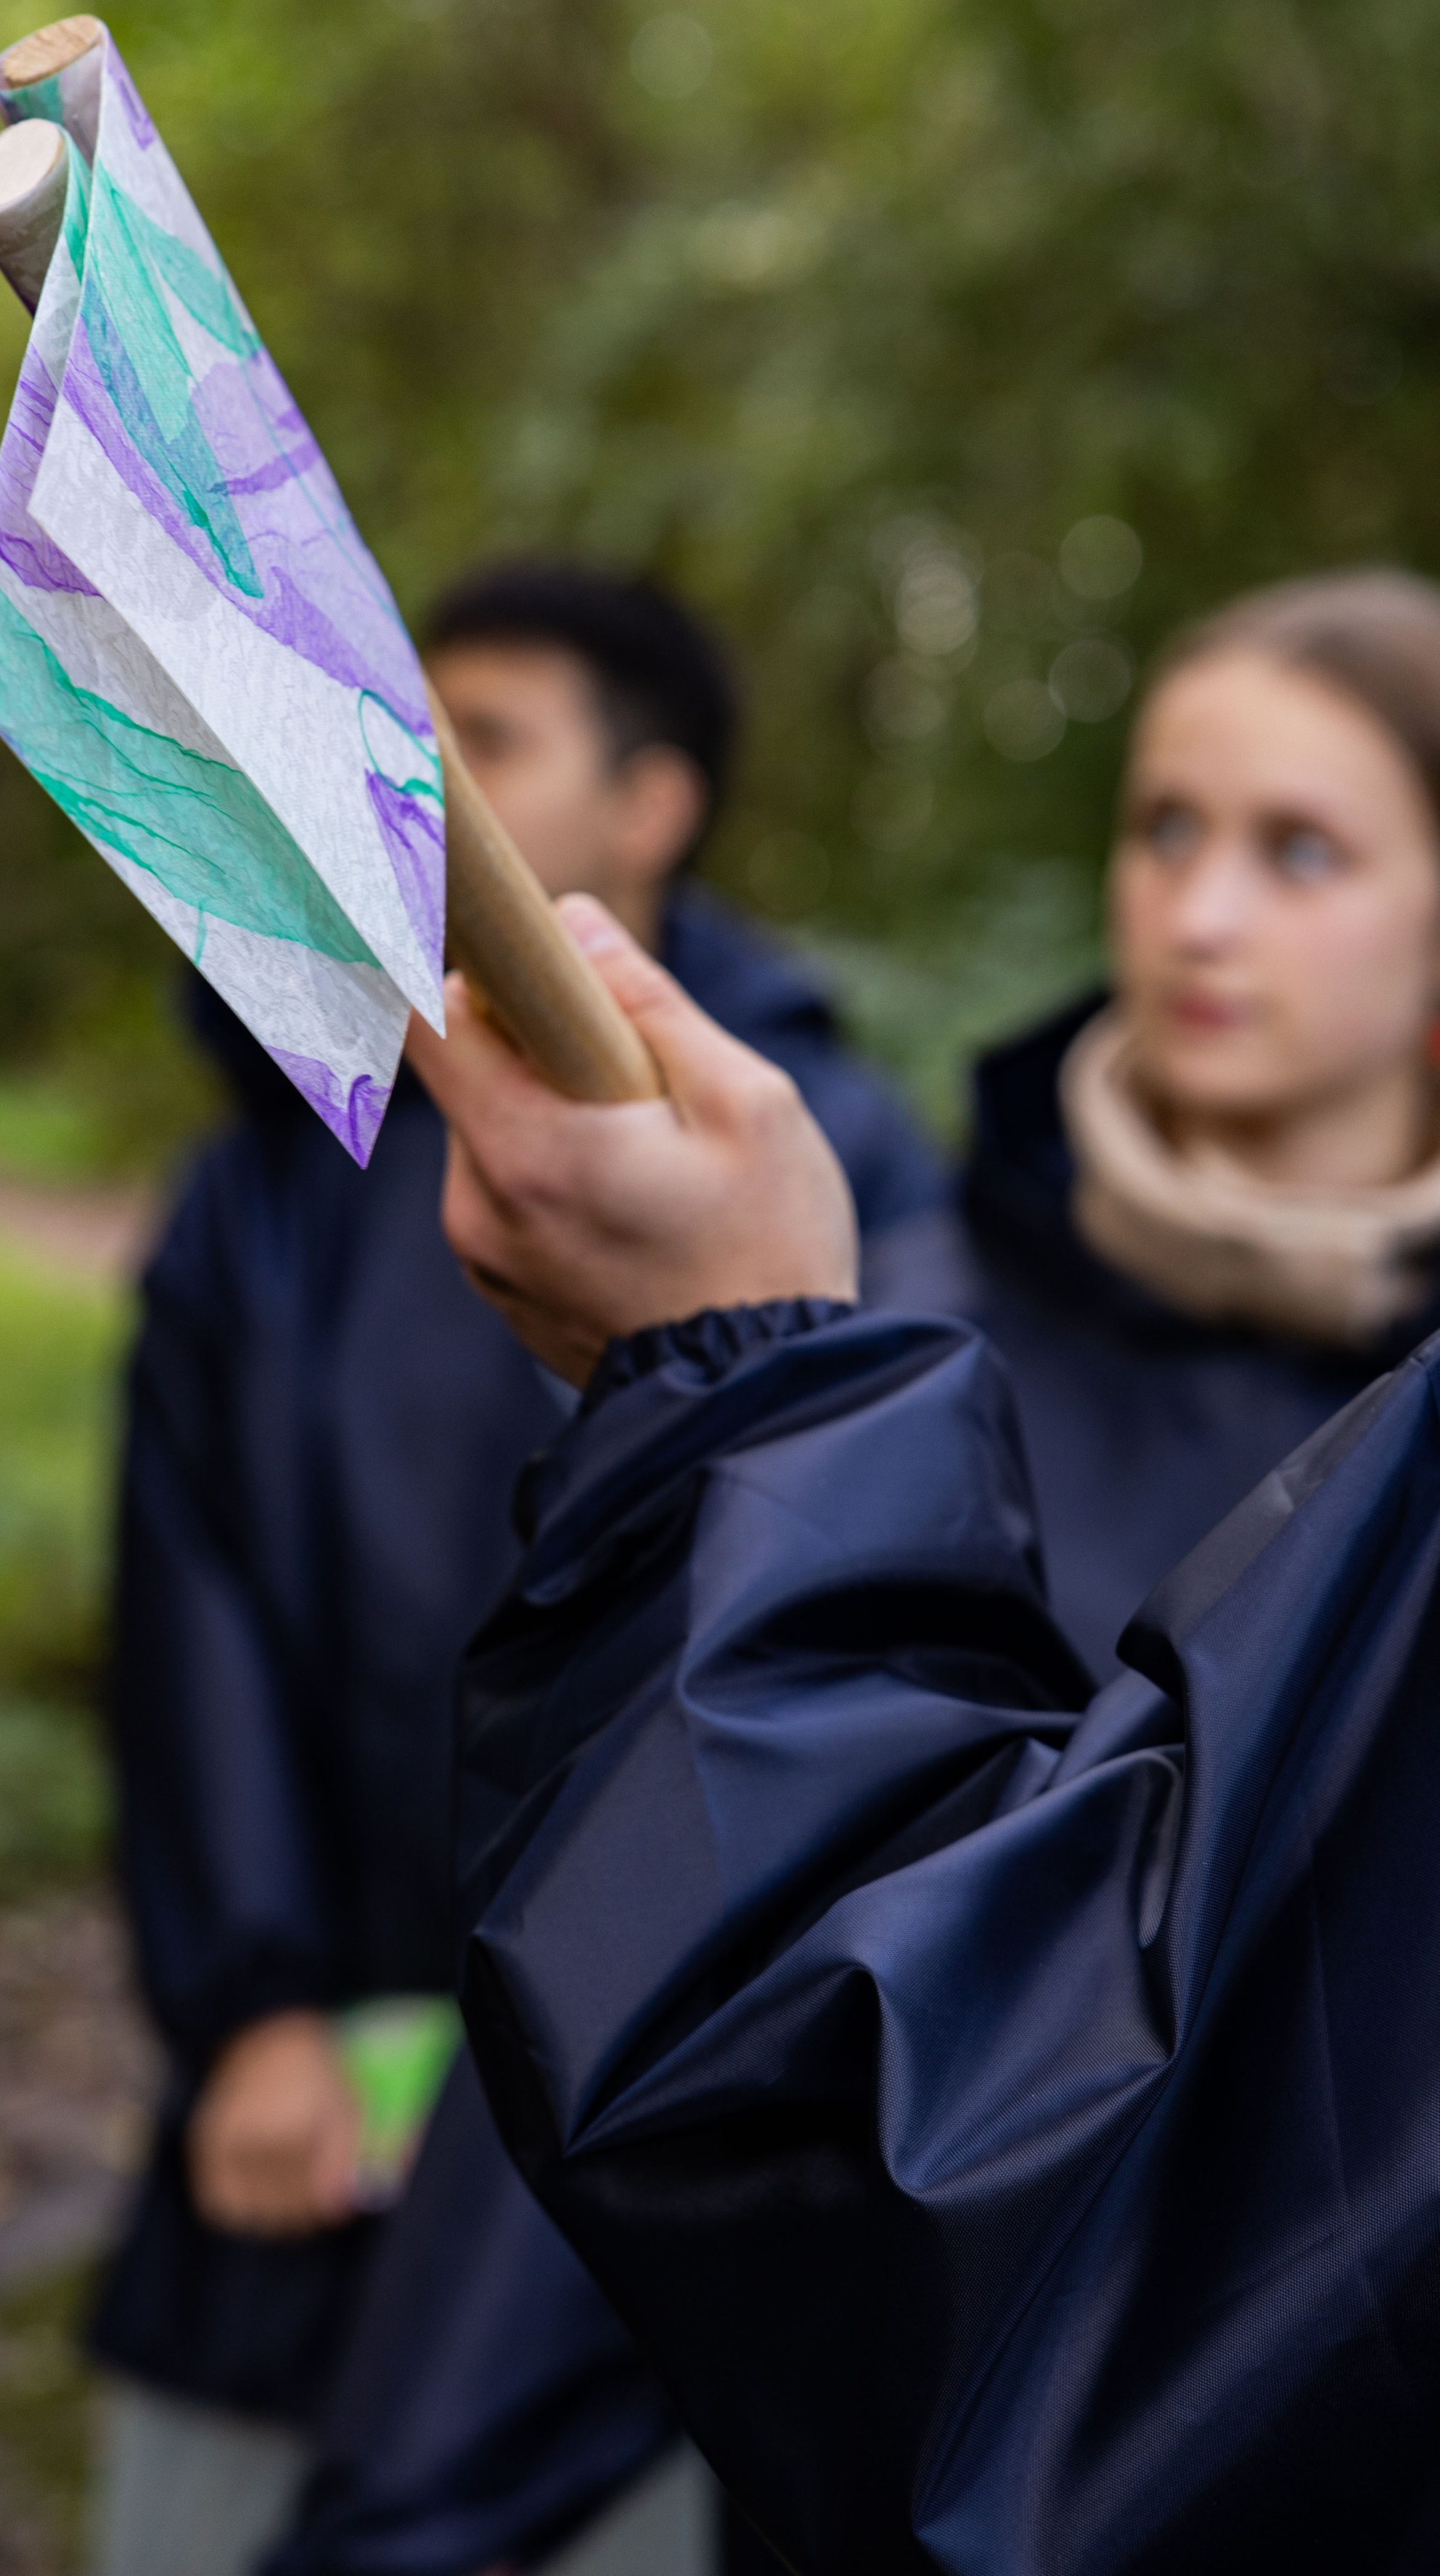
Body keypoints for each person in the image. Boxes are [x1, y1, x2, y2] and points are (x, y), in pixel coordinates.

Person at [409, 568, 1440, 2570]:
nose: (1203, 913)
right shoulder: (888, 1331)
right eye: (1167, 830)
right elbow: (668, 2020)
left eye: (1301, 851)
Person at [86, 560, 944, 2576]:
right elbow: (187, 1599)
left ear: (653, 809)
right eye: (409, 716)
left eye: (483, 738)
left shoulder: (838, 1164)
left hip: (671, 2129)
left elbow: (871, 1632)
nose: (411, 767)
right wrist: (255, 2005)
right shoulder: (276, 1176)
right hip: (321, 2092)